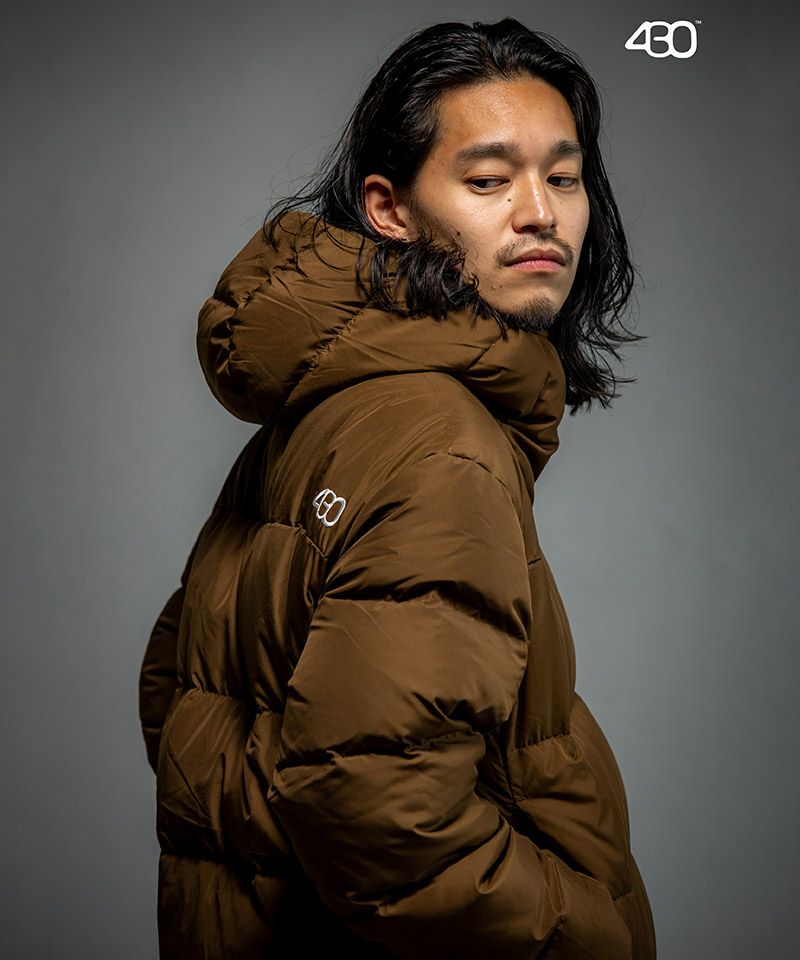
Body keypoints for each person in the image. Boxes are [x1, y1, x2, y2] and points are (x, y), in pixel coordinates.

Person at [139, 17, 657, 959]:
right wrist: (593, 934)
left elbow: (182, 695)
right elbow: (381, 814)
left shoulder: (339, 406)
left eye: (564, 177)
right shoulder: (438, 445)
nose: (540, 213)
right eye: (489, 180)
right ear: (390, 209)